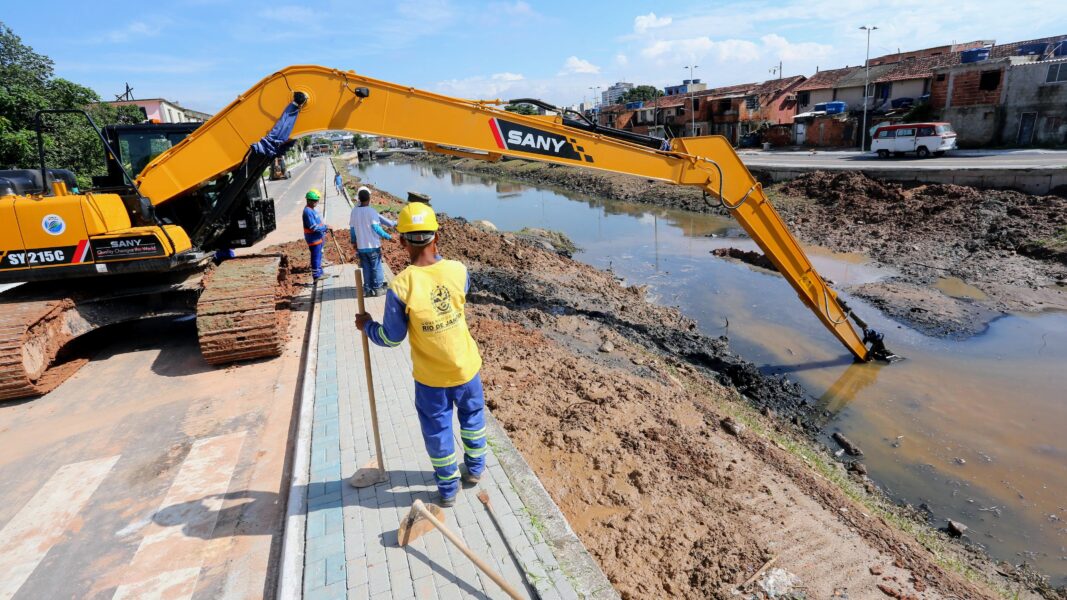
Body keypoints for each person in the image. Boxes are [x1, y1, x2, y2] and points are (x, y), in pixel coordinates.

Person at [355, 202, 486, 507]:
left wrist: (368, 327)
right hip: (466, 368)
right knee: (473, 419)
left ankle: (448, 489)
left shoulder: (401, 286)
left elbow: (392, 338)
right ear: (436, 236)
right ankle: (476, 471)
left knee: (438, 431)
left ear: (401, 241)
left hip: (431, 380)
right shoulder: (458, 271)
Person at [349, 186, 396, 297]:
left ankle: (368, 288)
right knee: (376, 266)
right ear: (369, 199)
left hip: (361, 246)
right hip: (373, 245)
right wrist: (388, 237)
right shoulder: (371, 211)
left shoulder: (354, 212)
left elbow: (352, 229)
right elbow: (376, 228)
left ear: (359, 199)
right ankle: (378, 288)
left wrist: (354, 242)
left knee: (366, 267)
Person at [302, 188, 328, 280]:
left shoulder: (312, 210)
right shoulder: (308, 211)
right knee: (316, 257)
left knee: (319, 256)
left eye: (317, 201)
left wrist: (324, 229)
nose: (316, 202)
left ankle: (320, 272)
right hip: (313, 239)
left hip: (318, 238)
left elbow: (318, 224)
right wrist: (325, 228)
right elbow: (313, 227)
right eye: (315, 201)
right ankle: (316, 276)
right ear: (309, 200)